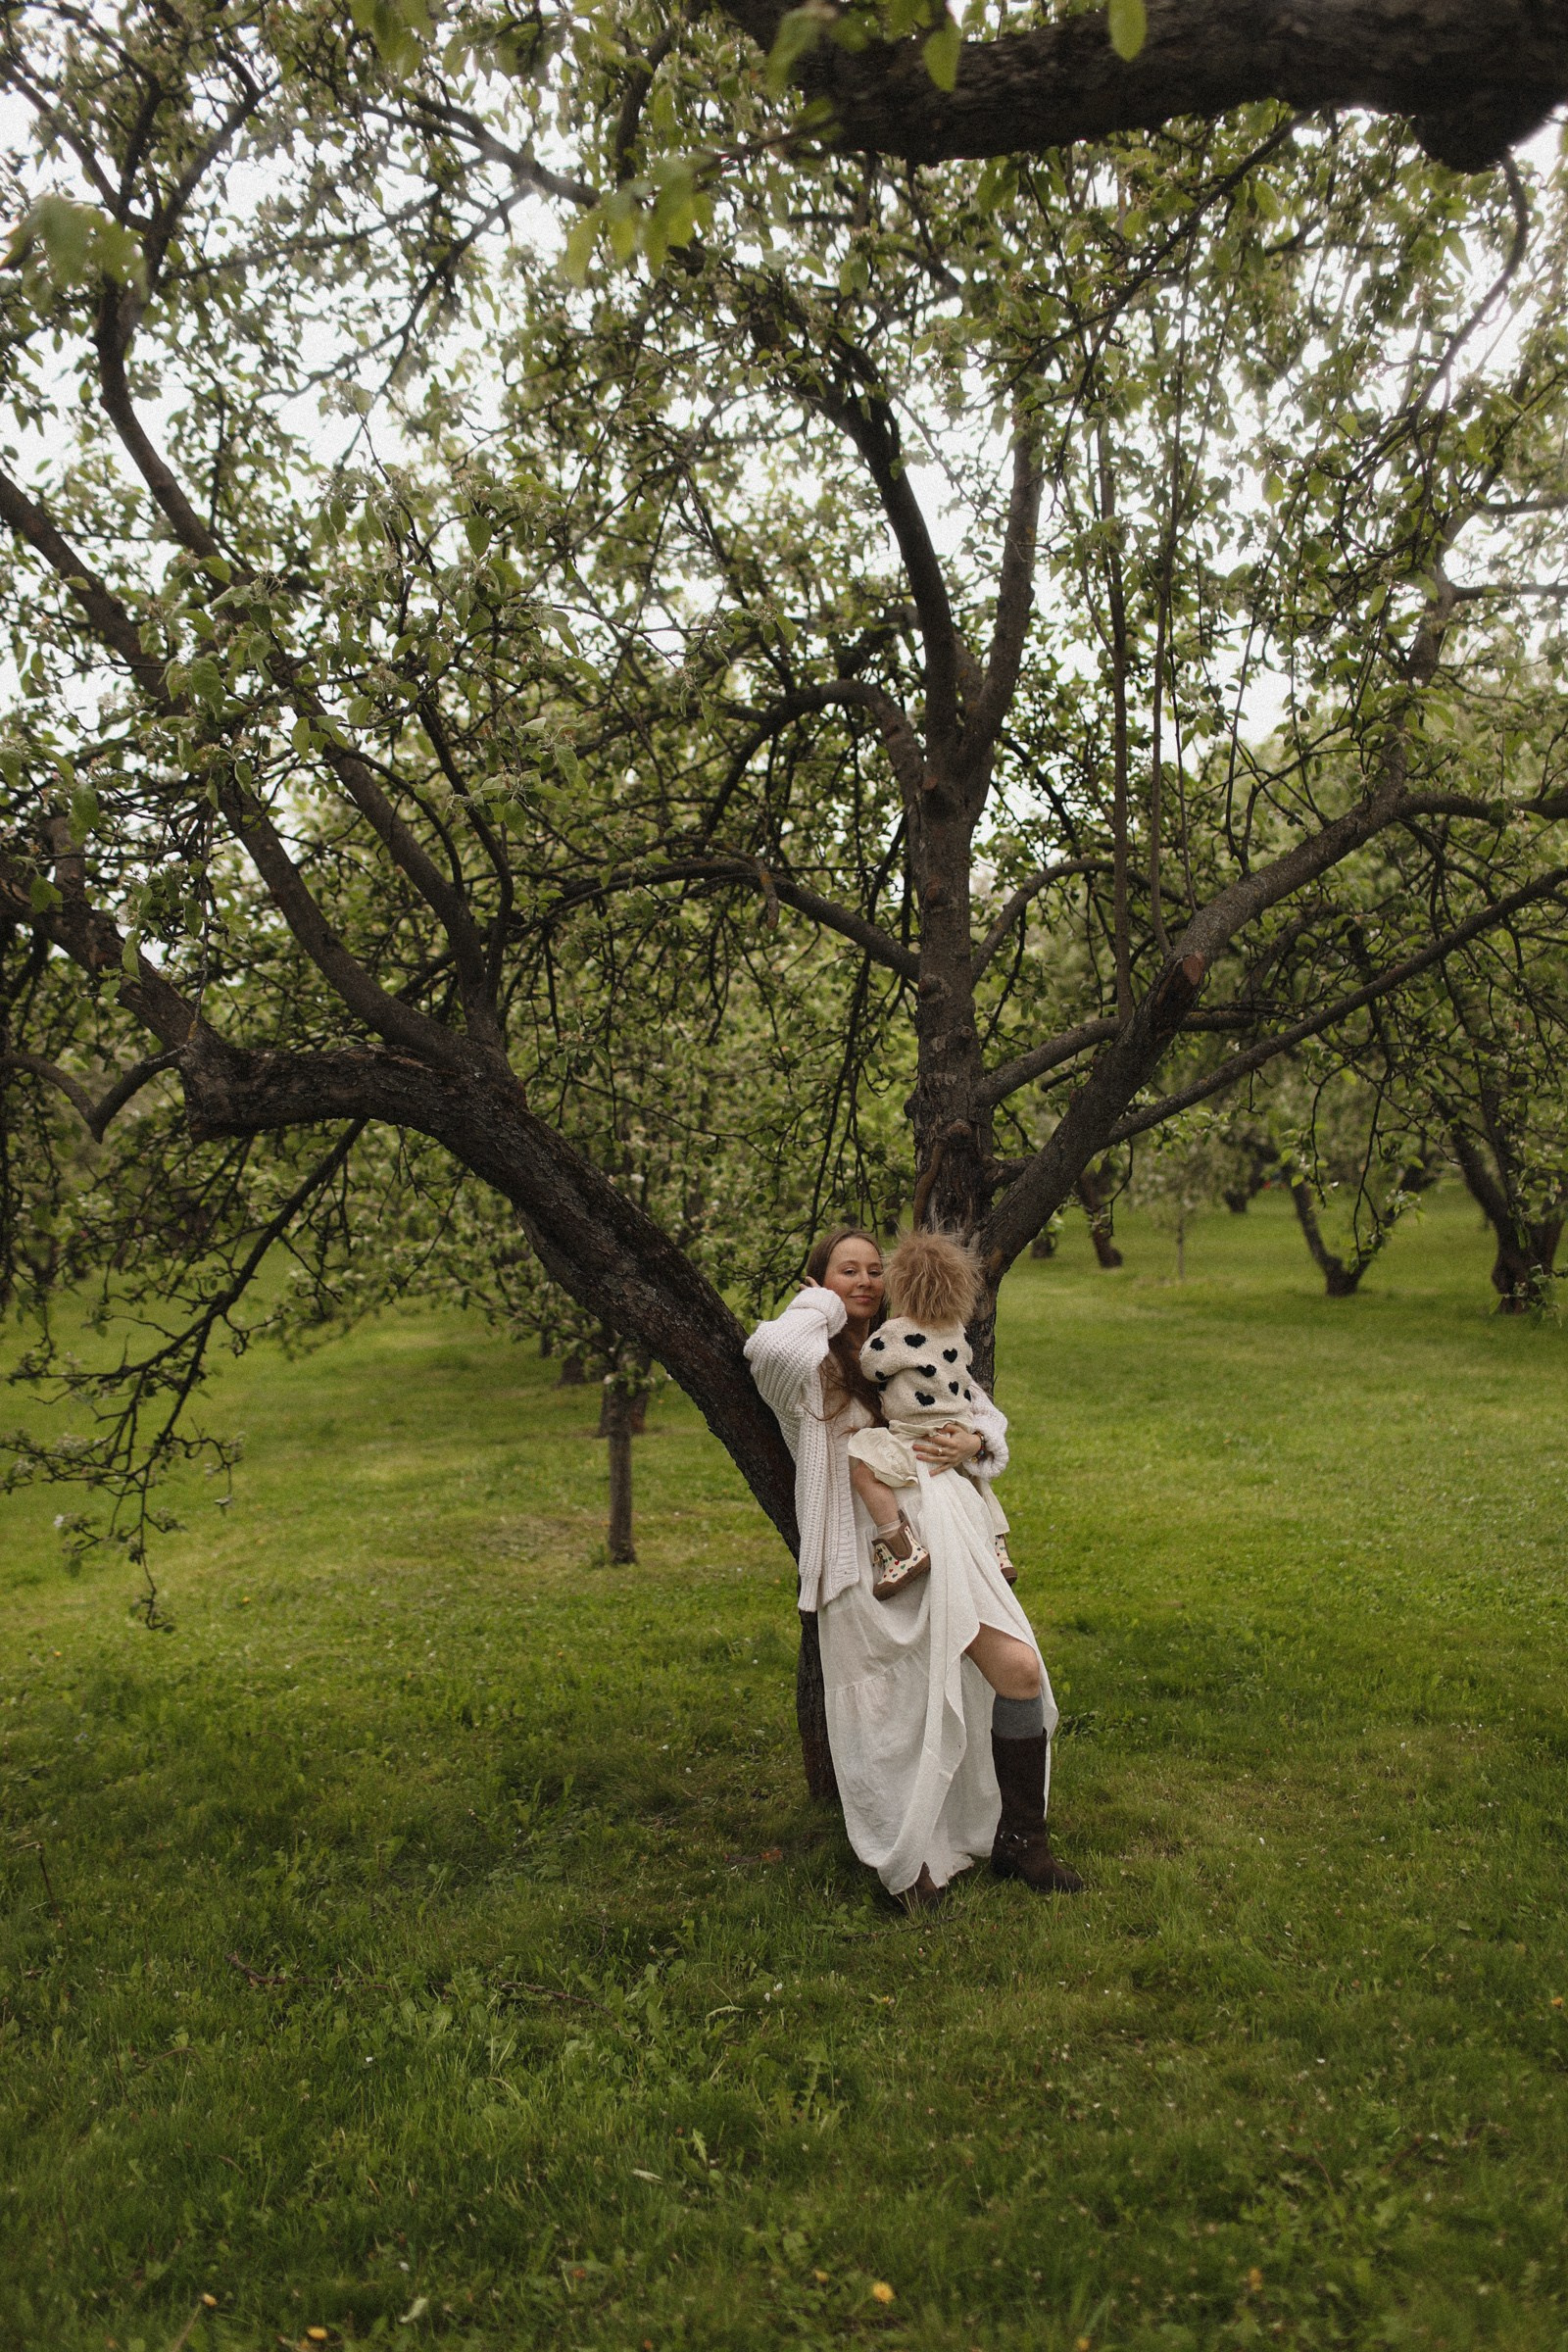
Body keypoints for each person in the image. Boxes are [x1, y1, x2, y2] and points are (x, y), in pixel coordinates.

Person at [744, 1224, 1083, 1910]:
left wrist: (974, 1440)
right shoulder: (807, 1366)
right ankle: (906, 1862)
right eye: (847, 1271)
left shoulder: (912, 1339)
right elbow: (765, 1346)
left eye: (874, 1269)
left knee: (1017, 1671)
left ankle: (1023, 1843)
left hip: (957, 1536)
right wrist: (819, 1310)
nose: (865, 1281)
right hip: (870, 1559)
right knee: (893, 1710)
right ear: (820, 1282)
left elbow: (984, 1414)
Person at [846, 1227, 1015, 1597]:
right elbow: (966, 1369)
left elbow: (871, 1368)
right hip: (957, 1424)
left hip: (915, 1434)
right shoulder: (956, 1331)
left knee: (863, 1466)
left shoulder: (893, 1333)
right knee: (976, 1483)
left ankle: (900, 1547)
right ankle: (998, 1549)